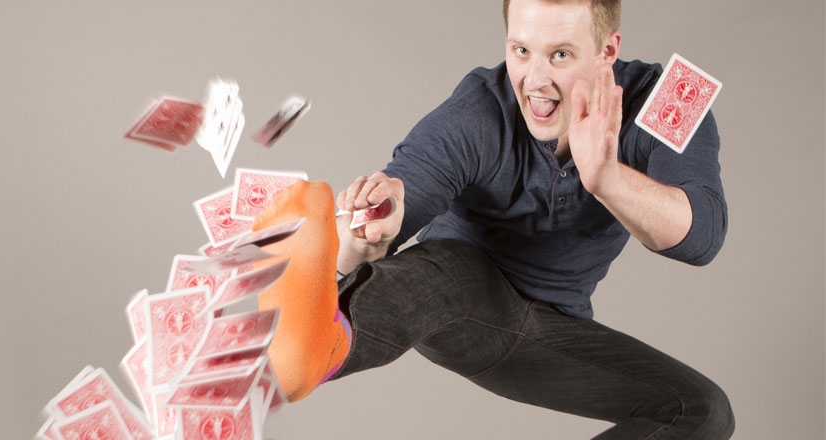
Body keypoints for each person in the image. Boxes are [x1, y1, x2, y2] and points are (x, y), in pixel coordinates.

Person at [252, 0, 735, 438]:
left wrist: (606, 178)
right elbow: (410, 187)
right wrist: (371, 226)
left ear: (607, 50)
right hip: (460, 301)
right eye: (521, 50)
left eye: (560, 55)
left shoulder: (667, 97)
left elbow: (702, 237)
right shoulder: (481, 107)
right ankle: (318, 342)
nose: (536, 81)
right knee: (441, 267)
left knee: (702, 409)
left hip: (553, 334)